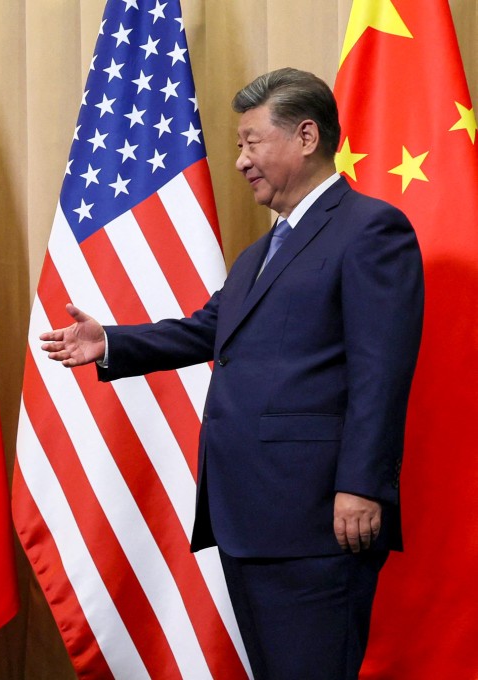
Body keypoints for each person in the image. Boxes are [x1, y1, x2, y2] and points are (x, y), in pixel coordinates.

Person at [41, 68, 424, 679]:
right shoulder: (259, 254)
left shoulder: (370, 230)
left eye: (251, 141)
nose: (240, 159)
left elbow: (382, 371)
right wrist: (109, 341)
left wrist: (362, 485)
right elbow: (204, 329)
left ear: (305, 136)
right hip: (250, 516)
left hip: (318, 515)